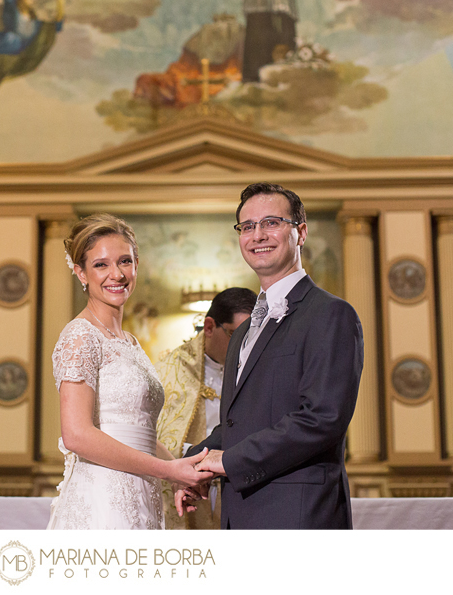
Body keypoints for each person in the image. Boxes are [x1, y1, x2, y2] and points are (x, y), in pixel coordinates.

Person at [179, 182, 363, 529]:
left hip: (298, 515)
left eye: (272, 223)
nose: (258, 235)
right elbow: (239, 424)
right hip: (240, 515)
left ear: (301, 233)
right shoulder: (244, 332)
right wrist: (192, 466)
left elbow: (322, 418)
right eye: (247, 226)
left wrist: (229, 461)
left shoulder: (331, 314)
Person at [47, 213, 213, 530]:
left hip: (143, 493)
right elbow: (77, 435)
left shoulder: (130, 343)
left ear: (136, 265)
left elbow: (139, 433)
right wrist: (169, 471)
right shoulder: (80, 336)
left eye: (125, 261)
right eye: (101, 265)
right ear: (80, 272)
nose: (117, 274)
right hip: (102, 499)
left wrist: (178, 470)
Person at [156, 287, 257, 529]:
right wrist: (199, 458)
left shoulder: (257, 369)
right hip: (188, 483)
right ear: (210, 327)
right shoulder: (168, 370)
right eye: (236, 335)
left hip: (240, 484)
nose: (246, 348)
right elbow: (151, 436)